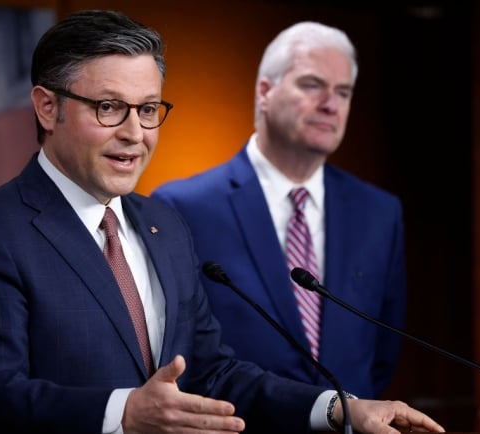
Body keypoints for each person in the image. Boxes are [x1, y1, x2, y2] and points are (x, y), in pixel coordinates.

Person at [0, 10, 440, 434]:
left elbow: (213, 372)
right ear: (46, 107)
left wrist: (339, 408)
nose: (135, 133)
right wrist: (125, 413)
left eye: (148, 109)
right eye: (109, 107)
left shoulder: (163, 226)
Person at [152, 21, 406, 400]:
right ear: (265, 92)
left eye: (343, 92)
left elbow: (383, 353)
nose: (330, 104)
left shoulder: (379, 212)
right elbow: (178, 350)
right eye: (312, 85)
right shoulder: (182, 207)